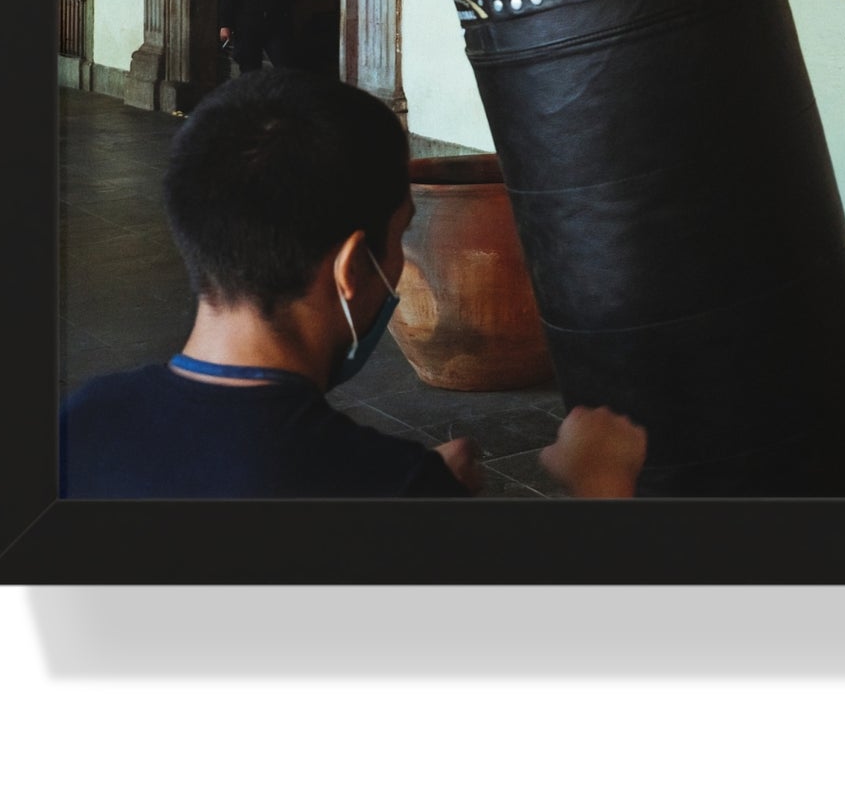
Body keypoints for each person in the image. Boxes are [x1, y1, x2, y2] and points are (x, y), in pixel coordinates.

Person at [60, 70, 646, 500]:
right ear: (349, 269)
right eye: (398, 239)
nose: (397, 267)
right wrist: (602, 488)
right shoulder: (386, 489)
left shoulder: (80, 422)